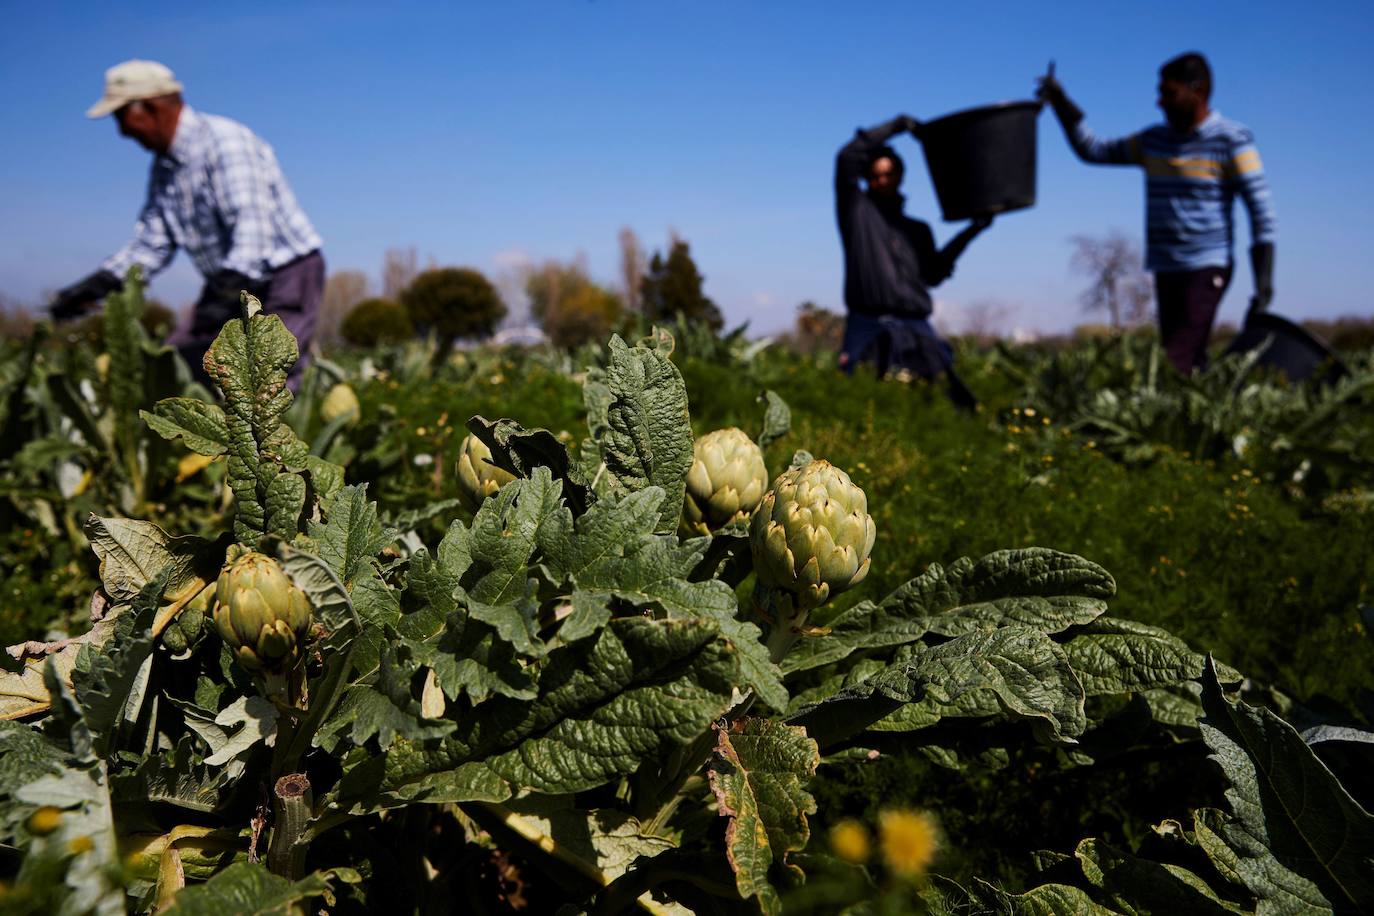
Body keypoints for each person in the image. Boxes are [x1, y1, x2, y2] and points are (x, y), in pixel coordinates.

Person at [49, 60, 324, 387]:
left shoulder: (224, 143)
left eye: (122, 116)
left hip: (284, 274)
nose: (122, 131)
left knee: (269, 376)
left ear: (149, 108)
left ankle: (297, 429)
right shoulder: (165, 169)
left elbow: (252, 228)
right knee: (175, 365)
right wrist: (103, 281)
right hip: (230, 283)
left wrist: (221, 295)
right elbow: (152, 244)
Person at [1037, 53, 1277, 374]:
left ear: (1198, 92)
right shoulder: (1154, 141)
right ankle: (1205, 417)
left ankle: (1168, 420)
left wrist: (1263, 284)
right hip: (1166, 266)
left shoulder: (1231, 140)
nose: (1159, 102)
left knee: (1174, 359)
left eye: (1169, 93)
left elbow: (1261, 210)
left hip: (1207, 264)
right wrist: (1062, 103)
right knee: (1188, 356)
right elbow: (1094, 150)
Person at [835, 115, 992, 408]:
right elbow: (846, 158)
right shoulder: (857, 213)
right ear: (868, 177)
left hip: (914, 325)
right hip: (868, 324)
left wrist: (972, 230)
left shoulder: (917, 230)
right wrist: (896, 127)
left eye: (889, 173)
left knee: (947, 400)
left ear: (899, 176)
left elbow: (933, 274)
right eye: (876, 174)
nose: (882, 180)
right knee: (856, 399)